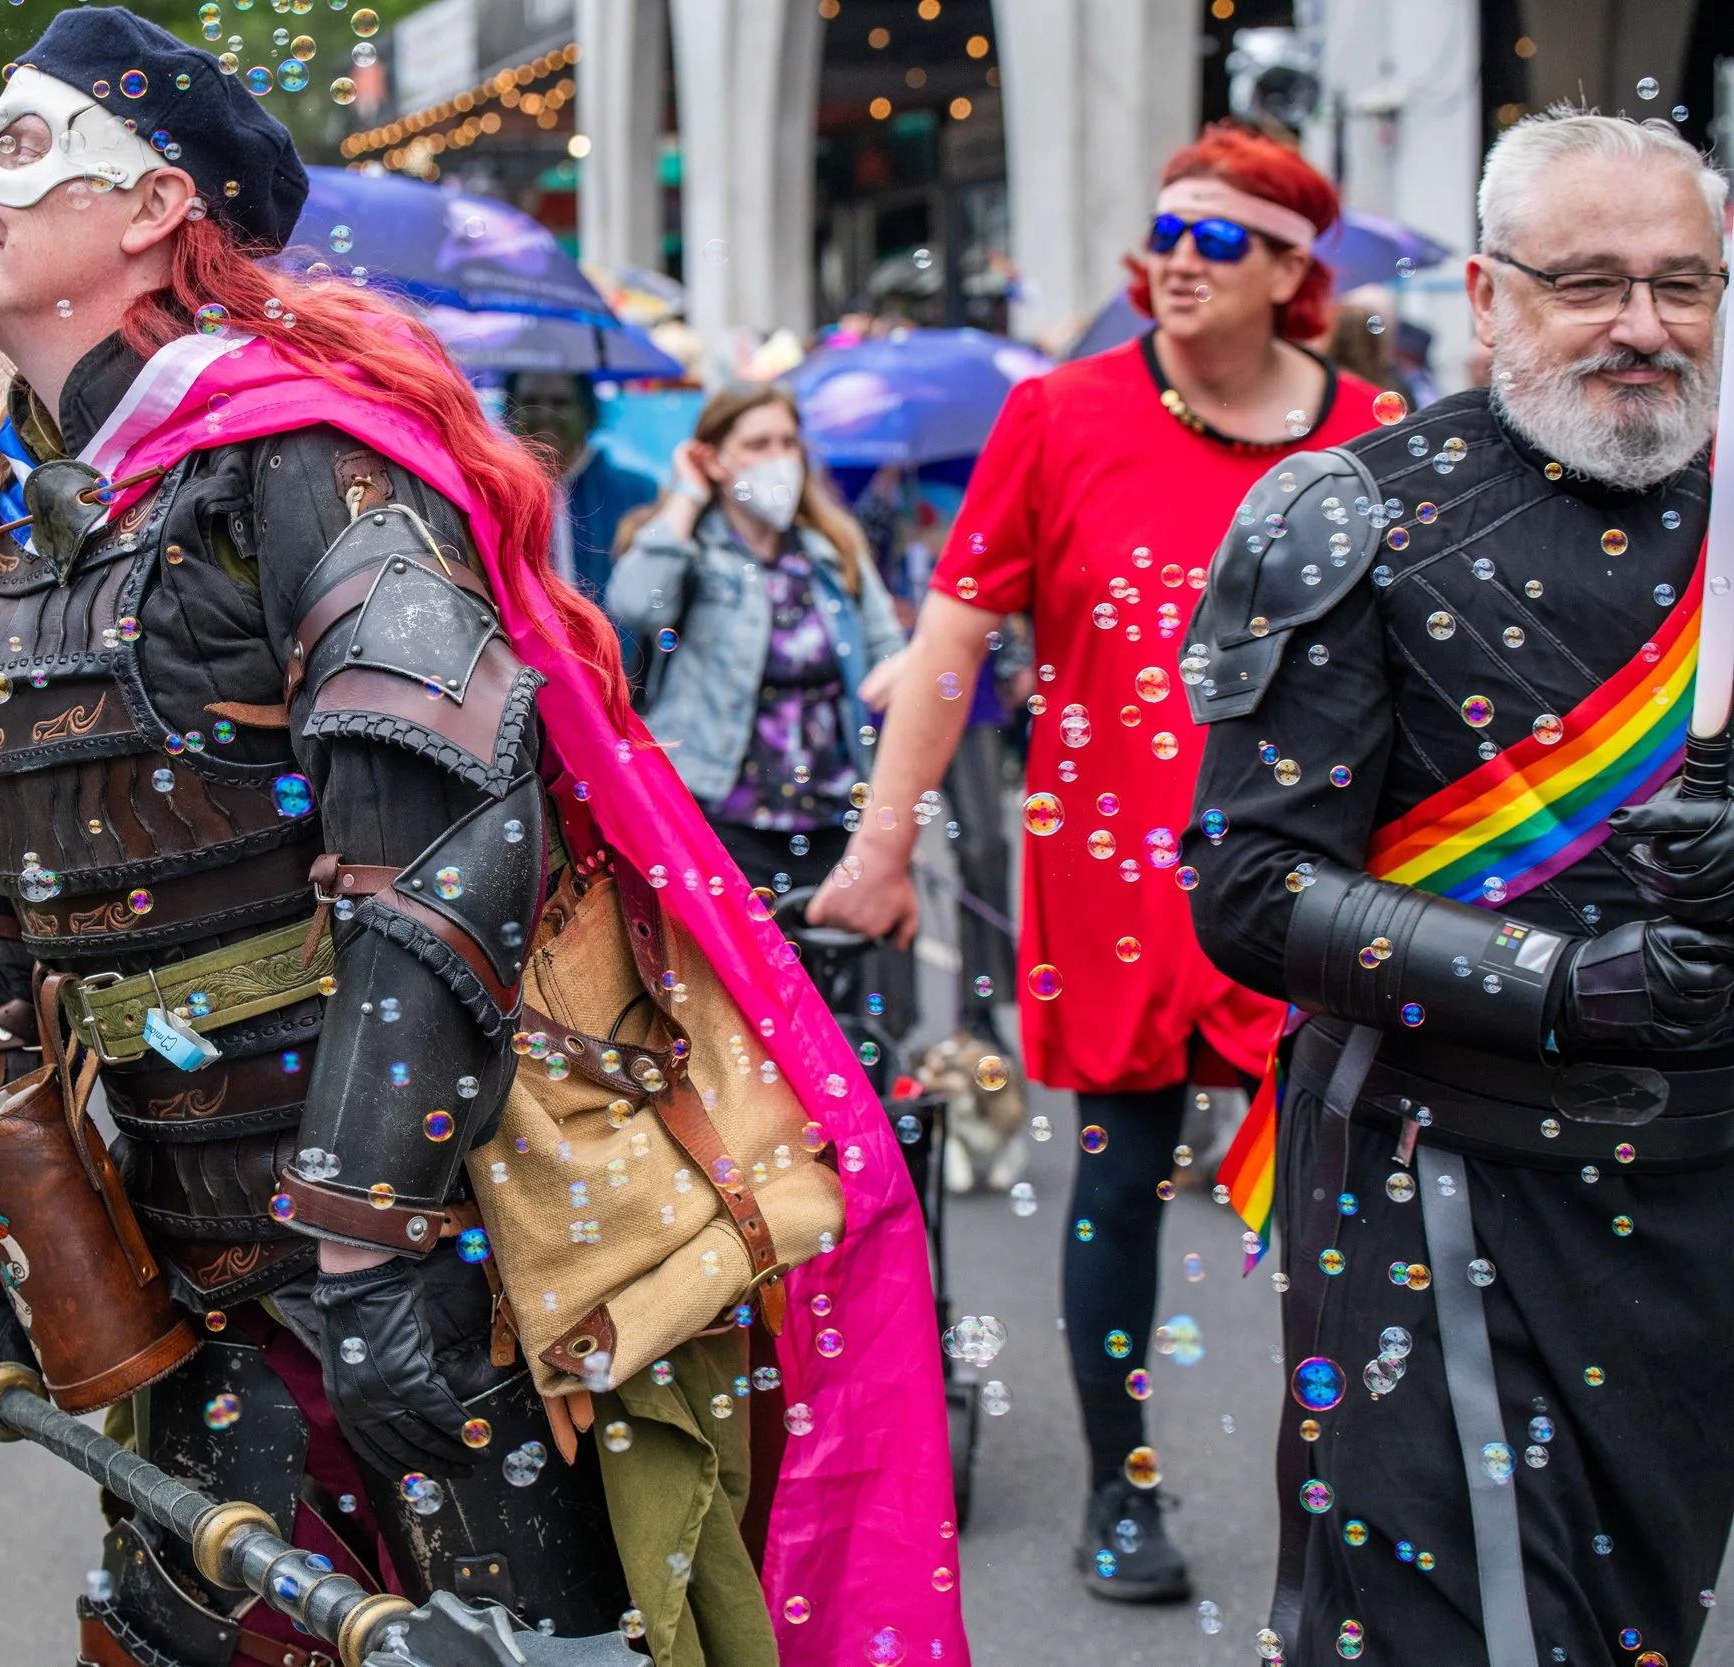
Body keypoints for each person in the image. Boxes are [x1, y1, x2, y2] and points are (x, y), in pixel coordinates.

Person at [0, 12, 960, 1664]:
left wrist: (369, 1250)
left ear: (155, 204)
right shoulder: (4, 531)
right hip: (173, 1271)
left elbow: (448, 861)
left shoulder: (303, 464)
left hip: (435, 1261)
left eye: (19, 151)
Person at [1184, 112, 1732, 1666]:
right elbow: (1248, 886)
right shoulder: (1347, 515)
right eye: (1590, 281)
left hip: (1702, 1202)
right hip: (1442, 1185)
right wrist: (1558, 982)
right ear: (1488, 295)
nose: (1644, 325)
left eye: (1683, 283)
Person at [808, 121, 1381, 1601]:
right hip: (1118, 869)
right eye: (1165, 231)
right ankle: (1117, 1489)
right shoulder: (1059, 413)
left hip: (1320, 883)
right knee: (1118, 1184)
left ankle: (1351, 1499)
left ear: (1292, 271)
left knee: (1341, 1204)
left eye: (1218, 237)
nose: (1177, 260)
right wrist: (882, 843)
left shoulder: (1375, 429)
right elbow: (952, 636)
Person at [606, 386, 906, 900]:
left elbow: (888, 651)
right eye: (757, 444)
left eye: (787, 443)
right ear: (714, 460)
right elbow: (633, 604)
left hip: (836, 819)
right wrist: (688, 492)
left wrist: (901, 672)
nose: (778, 459)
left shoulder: (833, 551)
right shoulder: (687, 547)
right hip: (720, 818)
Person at [502, 370, 657, 608]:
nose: (545, 414)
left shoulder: (638, 494)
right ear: (510, 413)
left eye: (560, 403)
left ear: (588, 412)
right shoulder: (495, 496)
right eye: (530, 402)